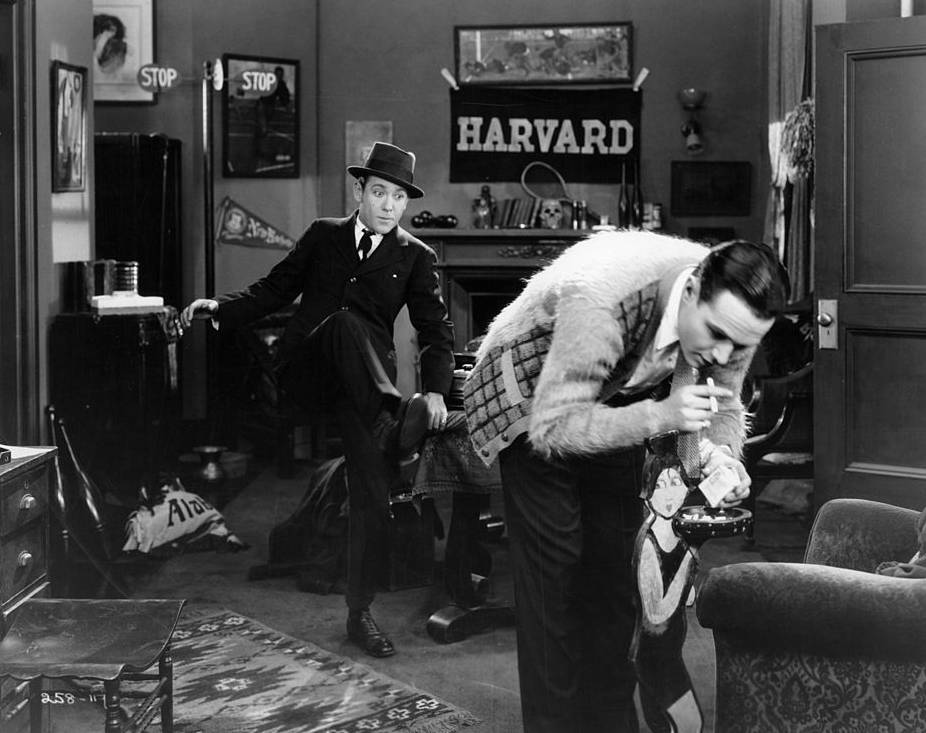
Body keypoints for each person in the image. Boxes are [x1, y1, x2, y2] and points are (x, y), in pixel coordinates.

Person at [462, 230, 790, 732]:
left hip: (621, 396)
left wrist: (722, 458)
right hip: (530, 400)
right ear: (688, 291)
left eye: (741, 344)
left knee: (617, 576)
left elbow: (721, 399)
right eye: (718, 336)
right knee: (556, 575)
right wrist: (662, 416)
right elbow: (555, 427)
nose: (726, 355)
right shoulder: (603, 298)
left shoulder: (735, 310)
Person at [180, 142, 454, 658]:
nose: (389, 206)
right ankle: (394, 420)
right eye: (379, 193)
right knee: (346, 322)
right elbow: (275, 288)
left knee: (372, 495)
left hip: (361, 390)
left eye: (398, 197)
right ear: (359, 191)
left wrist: (437, 389)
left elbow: (436, 331)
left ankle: (359, 613)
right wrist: (220, 305)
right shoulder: (324, 235)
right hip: (306, 369)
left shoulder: (417, 257)